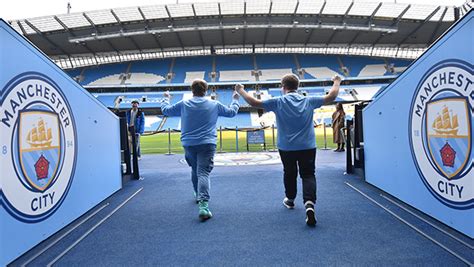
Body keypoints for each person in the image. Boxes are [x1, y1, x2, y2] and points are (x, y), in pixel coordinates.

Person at [236, 74, 341, 227]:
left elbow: (254, 102)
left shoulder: (278, 102)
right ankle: (309, 203)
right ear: (297, 86)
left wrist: (241, 90)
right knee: (308, 174)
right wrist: (337, 81)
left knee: (289, 172)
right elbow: (332, 96)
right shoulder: (308, 100)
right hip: (307, 146)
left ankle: (290, 200)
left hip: (286, 147)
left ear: (283, 87)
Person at [161, 79, 240, 221]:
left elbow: (166, 111)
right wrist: (235, 99)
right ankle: (203, 205)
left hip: (188, 143)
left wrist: (165, 99)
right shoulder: (214, 104)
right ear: (206, 90)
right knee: (203, 172)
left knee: (194, 169)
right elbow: (232, 112)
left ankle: (198, 194)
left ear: (192, 90)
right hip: (207, 143)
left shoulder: (184, 104)